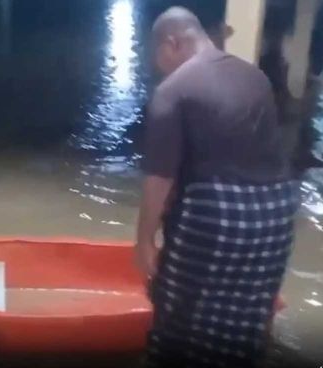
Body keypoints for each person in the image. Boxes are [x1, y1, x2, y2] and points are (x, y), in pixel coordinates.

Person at [135, 7, 299, 368]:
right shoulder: (254, 78)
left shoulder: (172, 90)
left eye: (158, 58)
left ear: (172, 43)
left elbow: (160, 177)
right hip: (278, 210)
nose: (160, 67)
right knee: (247, 318)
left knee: (178, 317)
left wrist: (145, 240)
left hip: (218, 214)